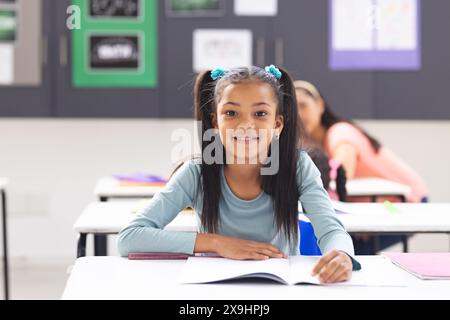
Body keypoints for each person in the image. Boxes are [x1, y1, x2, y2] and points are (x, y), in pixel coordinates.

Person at [118, 65, 360, 283]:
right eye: (231, 114)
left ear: (278, 124)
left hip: (280, 289)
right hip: (213, 289)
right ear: (215, 122)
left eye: (260, 114)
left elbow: (331, 230)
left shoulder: (297, 167)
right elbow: (130, 237)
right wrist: (217, 243)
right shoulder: (196, 173)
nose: (246, 125)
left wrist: (343, 255)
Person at [294, 80, 428, 203]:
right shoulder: (311, 144)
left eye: (303, 105)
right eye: (294, 109)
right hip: (380, 204)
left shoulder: (340, 132)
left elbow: (340, 175)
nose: (299, 114)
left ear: (320, 105)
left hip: (408, 201)